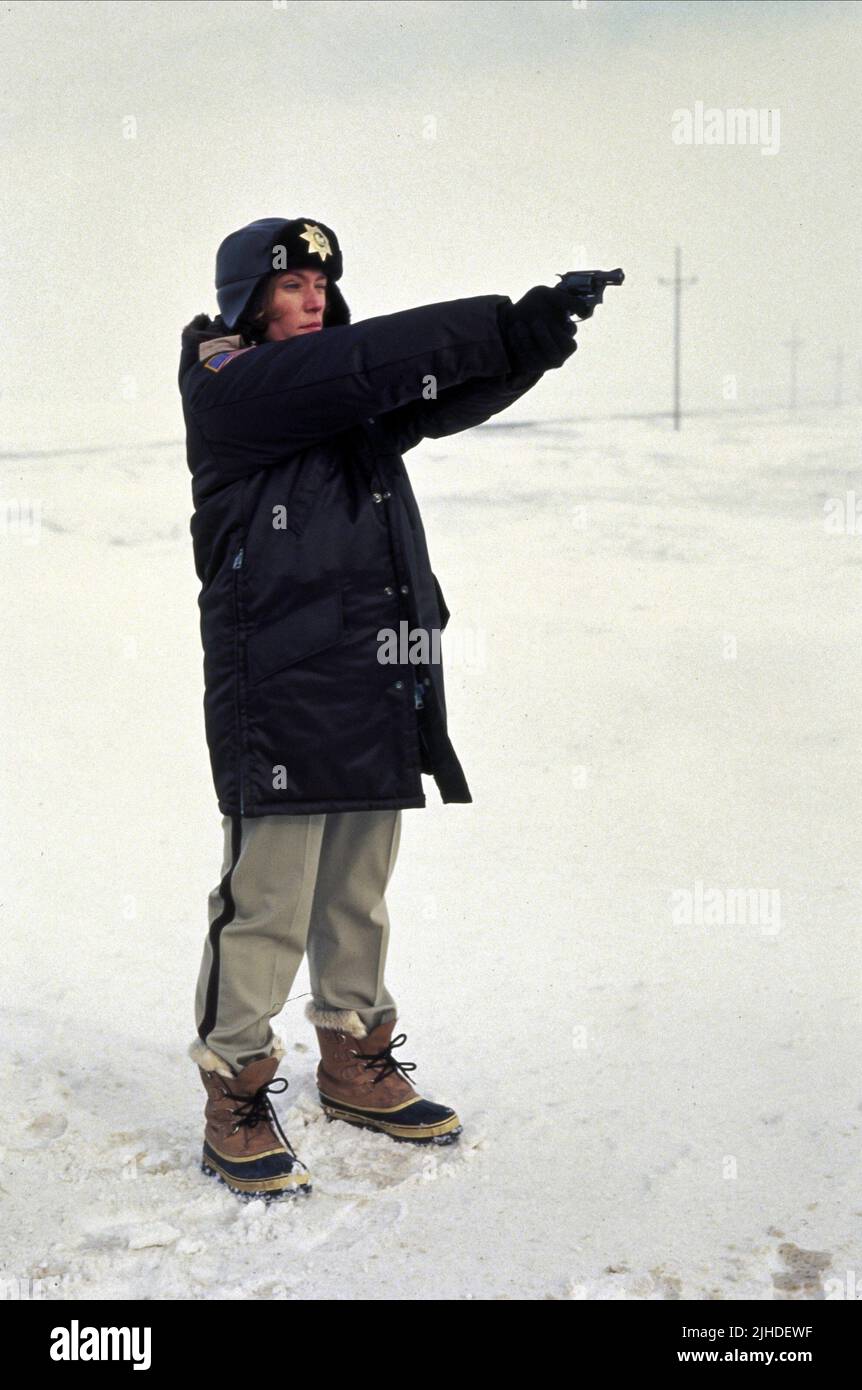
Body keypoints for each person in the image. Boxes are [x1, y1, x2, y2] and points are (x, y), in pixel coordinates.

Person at [177, 216, 578, 1201]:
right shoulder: (233, 382)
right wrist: (496, 320)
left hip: (367, 679)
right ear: (244, 300)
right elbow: (367, 366)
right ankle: (235, 1087)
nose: (314, 294)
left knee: (355, 892)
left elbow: (428, 394)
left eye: (323, 280)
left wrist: (525, 350)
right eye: (291, 283)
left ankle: (355, 1056)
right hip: (277, 687)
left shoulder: (336, 397)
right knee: (266, 902)